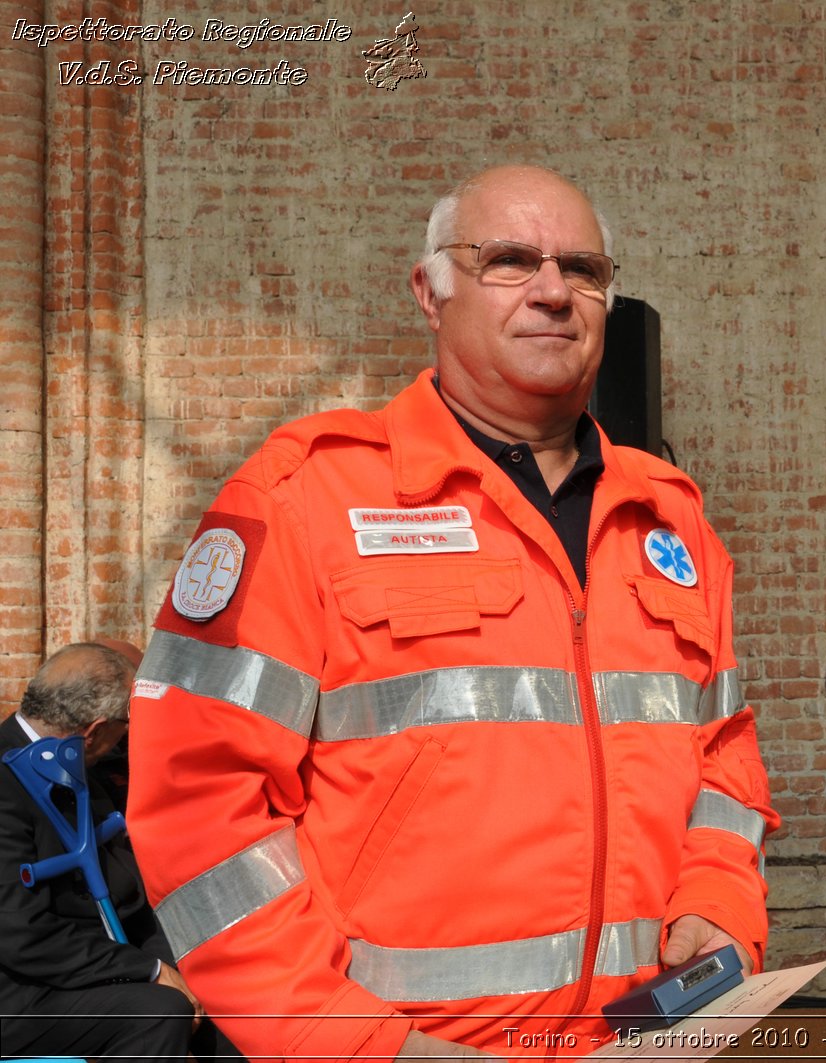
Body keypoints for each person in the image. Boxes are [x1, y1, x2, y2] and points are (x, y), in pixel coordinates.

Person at [125, 166, 777, 1060]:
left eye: (582, 268)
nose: (553, 291)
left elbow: (723, 756)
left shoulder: (674, 517)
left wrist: (717, 905)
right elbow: (198, 812)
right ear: (431, 292)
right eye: (508, 261)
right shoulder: (306, 496)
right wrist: (353, 1042)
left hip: (641, 1041)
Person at [1, 641, 239, 1062]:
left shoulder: (73, 763)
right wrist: (146, 971)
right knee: (161, 1012)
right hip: (21, 991)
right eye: (124, 726)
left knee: (225, 991)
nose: (125, 738)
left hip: (87, 960)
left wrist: (181, 963)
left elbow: (123, 883)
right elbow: (18, 933)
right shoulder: (8, 780)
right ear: (95, 730)